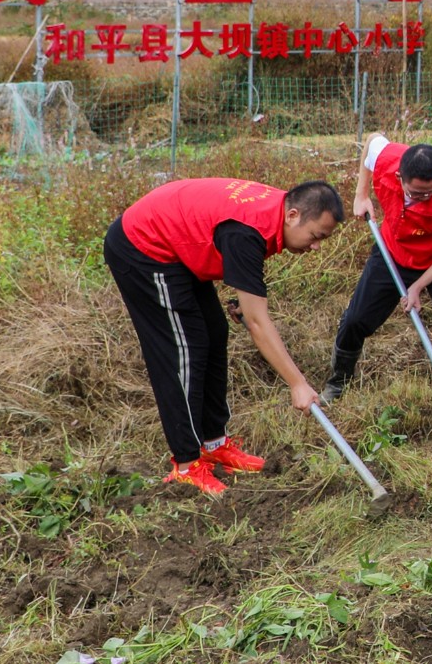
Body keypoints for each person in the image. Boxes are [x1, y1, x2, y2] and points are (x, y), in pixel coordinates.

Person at [104, 179, 344, 495]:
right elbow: (259, 323)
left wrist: (248, 308)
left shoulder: (272, 213)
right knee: (184, 350)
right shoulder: (247, 232)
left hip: (177, 243)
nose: (316, 247)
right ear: (293, 214)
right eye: (316, 237)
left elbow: (246, 294)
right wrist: (297, 383)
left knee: (214, 332)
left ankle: (214, 443)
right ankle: (187, 464)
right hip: (144, 246)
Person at [323, 134, 432, 419]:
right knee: (355, 319)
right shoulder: (388, 159)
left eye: (430, 192)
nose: (424, 199)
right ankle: (338, 383)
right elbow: (372, 140)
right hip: (394, 251)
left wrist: (418, 286)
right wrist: (361, 195)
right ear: (400, 176)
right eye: (417, 193)